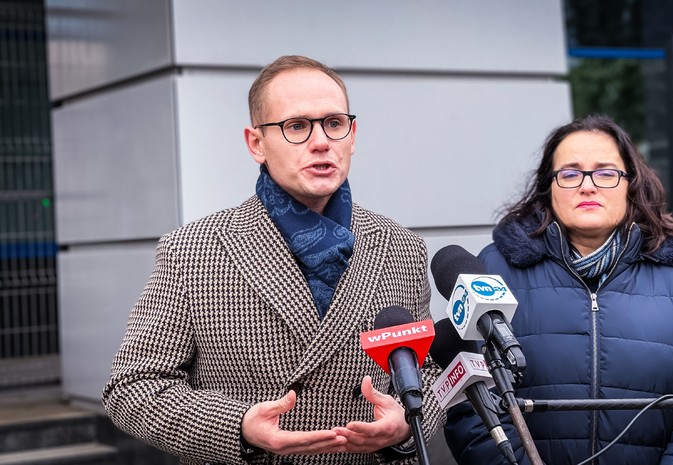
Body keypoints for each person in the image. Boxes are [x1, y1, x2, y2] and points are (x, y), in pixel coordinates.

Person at [103, 55, 445, 465]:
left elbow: (426, 373)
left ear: (352, 136)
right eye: (296, 126)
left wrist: (407, 426)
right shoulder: (193, 250)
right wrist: (239, 428)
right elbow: (133, 387)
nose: (321, 141)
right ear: (256, 144)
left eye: (334, 123)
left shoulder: (401, 247)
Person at [444, 115, 673, 465]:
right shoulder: (495, 269)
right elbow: (471, 402)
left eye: (605, 173)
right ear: (548, 187)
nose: (587, 186)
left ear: (631, 184)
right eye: (570, 174)